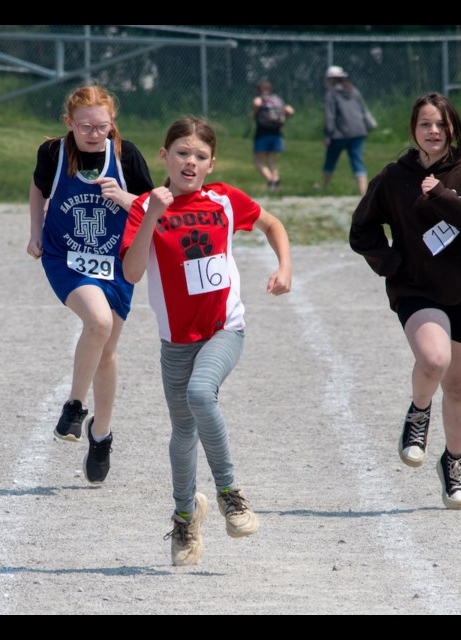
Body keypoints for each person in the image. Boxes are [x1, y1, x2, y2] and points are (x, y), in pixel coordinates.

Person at [119, 116, 292, 565]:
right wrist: (152, 215)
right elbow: (133, 272)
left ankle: (230, 494)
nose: (189, 162)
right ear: (165, 156)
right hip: (175, 339)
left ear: (211, 163)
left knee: (201, 393)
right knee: (182, 432)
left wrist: (284, 267)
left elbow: (273, 224)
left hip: (224, 329)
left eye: (199, 156)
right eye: (181, 153)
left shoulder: (224, 200)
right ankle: (184, 518)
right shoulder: (144, 207)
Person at [349, 93, 461, 510]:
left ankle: (453, 463)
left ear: (453, 129)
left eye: (441, 125)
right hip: (416, 290)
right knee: (434, 361)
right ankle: (418, 414)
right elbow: (361, 230)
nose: (433, 132)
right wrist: (393, 263)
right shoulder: (394, 177)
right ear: (413, 131)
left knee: (457, 385)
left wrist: (444, 197)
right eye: (425, 125)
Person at [27, 84, 154, 483]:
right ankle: (75, 406)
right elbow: (38, 188)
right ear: (69, 123)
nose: (94, 134)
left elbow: (153, 207)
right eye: (85, 127)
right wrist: (34, 231)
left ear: (112, 123)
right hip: (66, 257)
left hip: (114, 262)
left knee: (109, 351)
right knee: (97, 322)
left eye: (102, 126)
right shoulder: (54, 153)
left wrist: (124, 198)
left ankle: (102, 435)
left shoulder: (126, 154)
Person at [316, 65, 373, 195]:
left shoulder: (331, 94)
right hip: (359, 131)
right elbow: (363, 109)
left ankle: (324, 186)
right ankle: (363, 191)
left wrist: (327, 134)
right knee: (357, 159)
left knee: (331, 159)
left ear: (330, 79)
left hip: (339, 134)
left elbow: (330, 116)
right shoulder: (353, 90)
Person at [251, 79, 295, 193]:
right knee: (271, 160)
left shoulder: (259, 100)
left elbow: (255, 109)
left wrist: (254, 114)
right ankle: (275, 182)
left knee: (258, 161)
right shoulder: (277, 100)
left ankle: (271, 180)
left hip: (262, 134)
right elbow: (290, 111)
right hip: (277, 133)